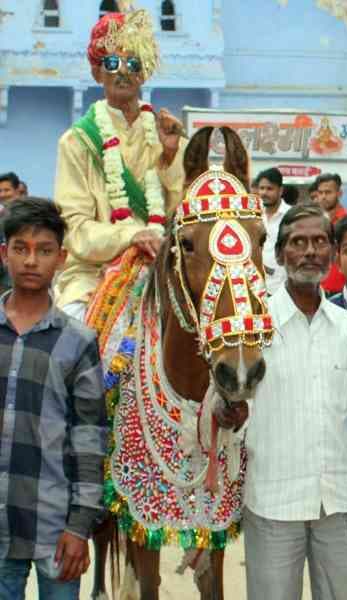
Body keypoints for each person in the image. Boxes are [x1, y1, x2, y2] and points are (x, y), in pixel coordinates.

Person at [244, 204, 347, 600]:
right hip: (273, 500)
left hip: (340, 499)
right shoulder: (253, 323)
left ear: (332, 253)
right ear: (281, 253)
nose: (309, 251)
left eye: (319, 241)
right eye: (298, 242)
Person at [0, 198, 107, 599]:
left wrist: (79, 527)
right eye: (21, 248)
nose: (32, 260)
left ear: (61, 258)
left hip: (55, 528)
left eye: (44, 250)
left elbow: (89, 440)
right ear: (4, 253)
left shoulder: (78, 342)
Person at [53, 10, 186, 320]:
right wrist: (130, 236)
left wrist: (169, 157)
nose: (123, 71)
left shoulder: (167, 133)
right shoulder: (76, 142)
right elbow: (75, 228)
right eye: (112, 63)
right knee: (71, 335)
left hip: (160, 272)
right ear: (98, 73)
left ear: (144, 74)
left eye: (134, 64)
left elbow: (183, 216)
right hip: (93, 276)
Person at [314, 173, 347, 294]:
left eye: (328, 192)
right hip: (316, 289)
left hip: (341, 291)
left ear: (339, 193)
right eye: (320, 192)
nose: (323, 196)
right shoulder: (312, 222)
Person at [257, 167, 290, 294]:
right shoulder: (254, 215)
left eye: (269, 189)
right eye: (262, 188)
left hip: (281, 288)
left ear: (280, 190)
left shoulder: (290, 216)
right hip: (256, 287)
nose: (264, 193)